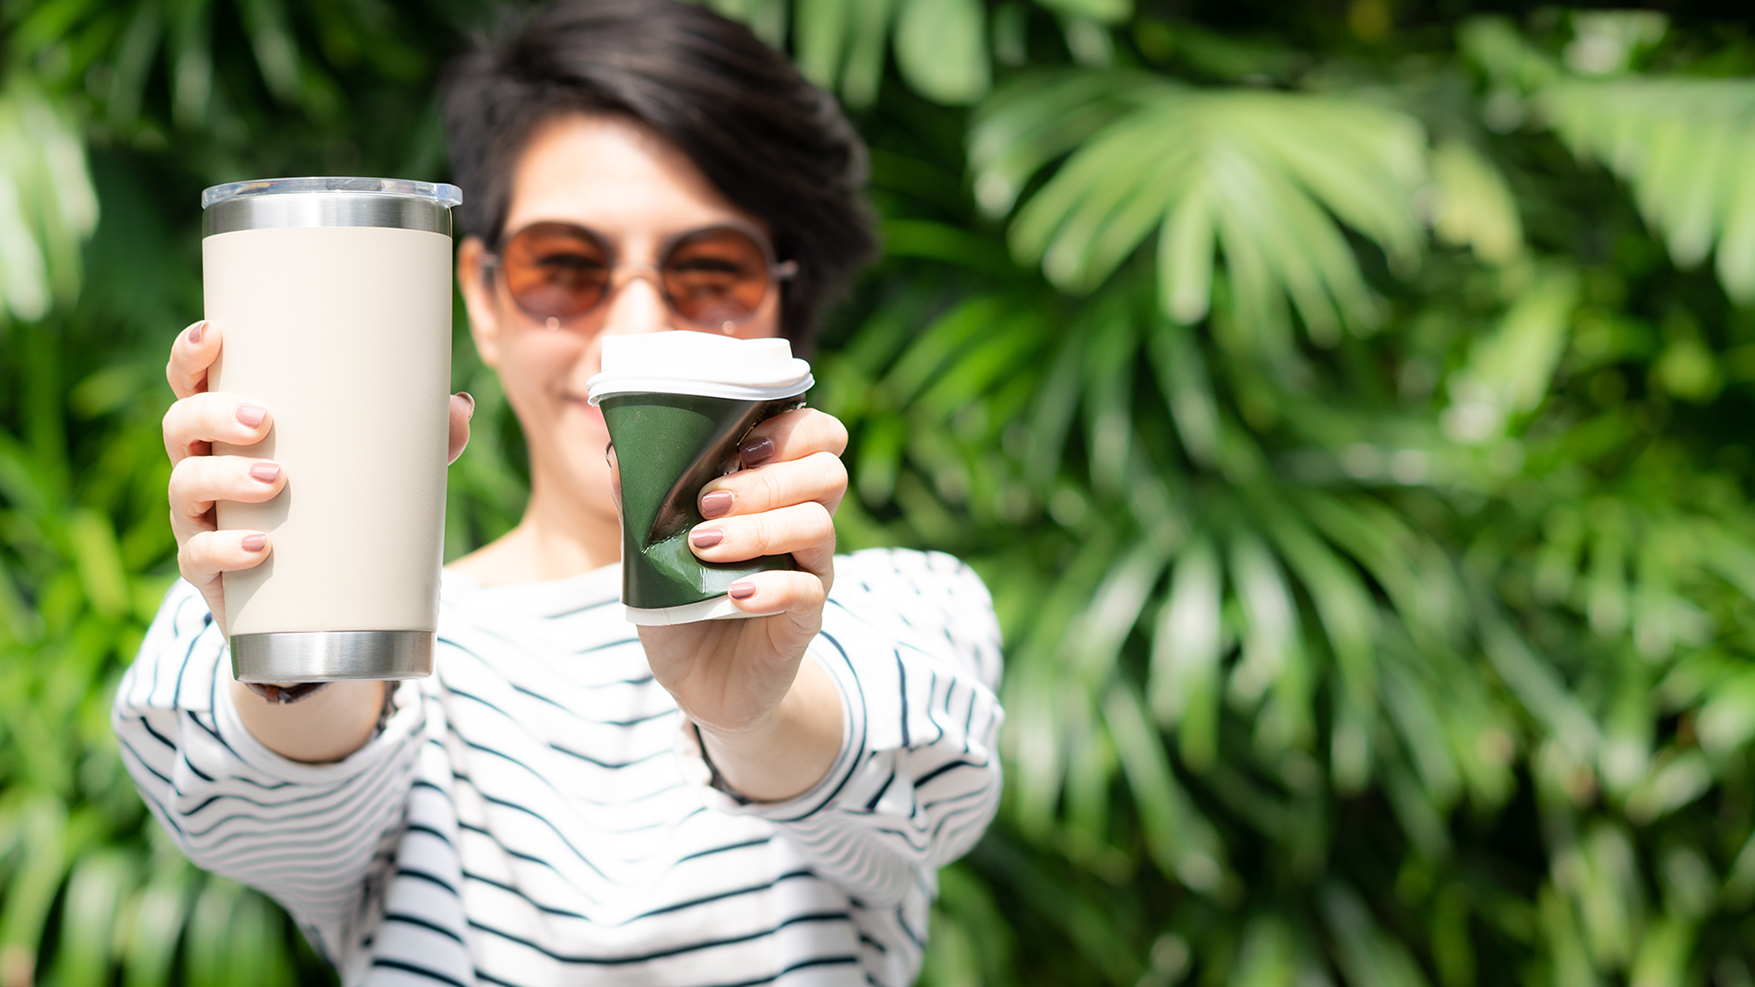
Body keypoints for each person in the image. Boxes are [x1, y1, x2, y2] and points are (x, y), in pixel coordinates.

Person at [112, 2, 1004, 985]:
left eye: (711, 271)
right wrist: (300, 618)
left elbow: (924, 794)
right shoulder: (312, 634)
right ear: (479, 298)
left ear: (783, 306)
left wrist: (755, 714)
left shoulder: (897, 611)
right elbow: (258, 821)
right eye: (565, 269)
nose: (634, 327)